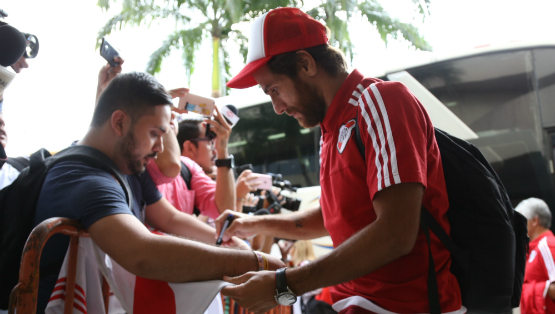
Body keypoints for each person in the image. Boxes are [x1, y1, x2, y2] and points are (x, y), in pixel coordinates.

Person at [216, 7, 463, 314]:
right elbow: (334, 217)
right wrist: (252, 223)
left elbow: (396, 232)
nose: (277, 108)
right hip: (354, 302)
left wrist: (283, 285)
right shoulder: (330, 128)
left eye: (274, 89)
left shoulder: (381, 101)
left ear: (305, 64)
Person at [32, 71, 284, 313]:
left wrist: (227, 241)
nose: (159, 148)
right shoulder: (82, 176)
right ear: (119, 122)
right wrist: (252, 262)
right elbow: (142, 252)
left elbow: (170, 218)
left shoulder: (127, 168)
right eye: (155, 134)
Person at [147, 114, 236, 219]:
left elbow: (225, 211)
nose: (214, 150)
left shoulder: (189, 167)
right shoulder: (144, 161)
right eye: (210, 142)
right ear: (190, 148)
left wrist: (223, 149)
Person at [516, 197, 555, 313]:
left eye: (521, 220)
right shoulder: (533, 248)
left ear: (534, 221)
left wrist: (541, 289)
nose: (517, 226)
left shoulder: (548, 245)